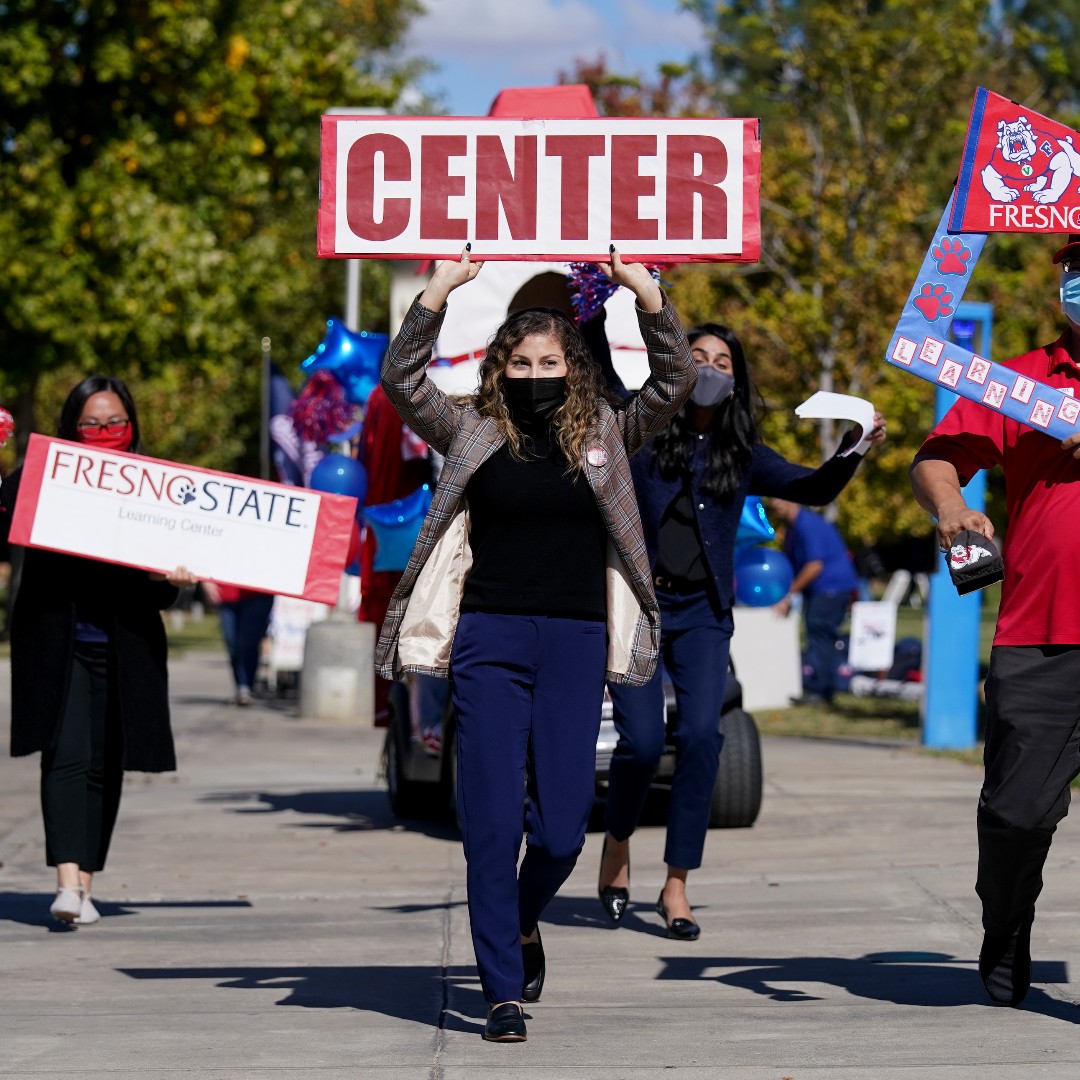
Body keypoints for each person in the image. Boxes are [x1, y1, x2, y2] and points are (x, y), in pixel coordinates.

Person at [374, 246, 696, 1042]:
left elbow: (674, 381)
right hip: (489, 638)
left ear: (574, 365)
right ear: (499, 365)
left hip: (576, 640)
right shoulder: (473, 430)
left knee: (558, 831)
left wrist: (646, 294)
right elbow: (402, 382)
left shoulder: (608, 433)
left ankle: (522, 920)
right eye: (519, 360)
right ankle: (502, 993)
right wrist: (439, 292)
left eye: (549, 359)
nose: (533, 371)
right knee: (487, 824)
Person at [598, 322, 885, 940]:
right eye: (695, 357)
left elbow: (812, 485)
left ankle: (676, 884)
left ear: (734, 382)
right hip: (638, 611)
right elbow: (601, 370)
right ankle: (617, 844)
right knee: (643, 745)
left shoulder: (743, 451)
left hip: (703, 614)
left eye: (721, 361)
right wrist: (596, 294)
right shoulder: (640, 432)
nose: (707, 368)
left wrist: (855, 447)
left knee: (703, 738)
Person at [909, 233, 1080, 1007]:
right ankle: (1006, 923)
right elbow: (938, 456)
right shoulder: (1025, 383)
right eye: (1075, 270)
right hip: (1040, 634)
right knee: (1016, 815)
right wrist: (951, 506)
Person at [0, 376, 197, 925]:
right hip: (57, 643)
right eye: (91, 423)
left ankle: (85, 884)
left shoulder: (156, 487)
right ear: (71, 426)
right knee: (65, 755)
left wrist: (174, 579)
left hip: (125, 646)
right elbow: (4, 522)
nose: (104, 432)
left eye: (114, 422)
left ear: (130, 424)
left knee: (104, 764)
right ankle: (65, 881)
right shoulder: (43, 476)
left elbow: (160, 580)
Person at [769, 499, 860, 705]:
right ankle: (823, 687)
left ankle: (822, 690)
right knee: (820, 636)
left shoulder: (808, 525)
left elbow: (814, 566)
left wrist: (789, 593)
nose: (774, 504)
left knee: (820, 634)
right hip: (823, 589)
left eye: (778, 499)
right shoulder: (794, 528)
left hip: (831, 588)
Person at [200, 582, 274, 705]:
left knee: (248, 641)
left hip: (259, 592)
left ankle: (245, 686)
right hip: (227, 592)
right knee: (232, 643)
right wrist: (205, 581)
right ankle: (241, 685)